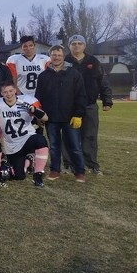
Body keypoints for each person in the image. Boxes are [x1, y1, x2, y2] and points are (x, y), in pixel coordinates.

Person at [36, 45, 87, 182]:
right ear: (50, 57)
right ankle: (55, 170)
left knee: (75, 146)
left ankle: (80, 171)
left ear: (63, 56)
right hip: (51, 118)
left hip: (70, 117)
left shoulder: (74, 73)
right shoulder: (43, 76)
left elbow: (81, 95)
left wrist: (78, 114)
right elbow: (38, 98)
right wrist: (39, 116)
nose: (56, 57)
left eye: (59, 55)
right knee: (54, 146)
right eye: (53, 55)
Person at [65, 35, 112, 175]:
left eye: (80, 43)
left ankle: (91, 164)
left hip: (89, 105)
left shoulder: (93, 61)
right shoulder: (65, 62)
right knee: (69, 136)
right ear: (69, 46)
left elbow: (103, 81)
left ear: (84, 46)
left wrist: (107, 100)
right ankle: (68, 164)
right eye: (74, 43)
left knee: (90, 136)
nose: (77, 46)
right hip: (69, 106)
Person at [0, 81, 50, 187]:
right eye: (5, 92)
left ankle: (38, 174)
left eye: (11, 91)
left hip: (26, 138)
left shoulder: (24, 103)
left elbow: (45, 118)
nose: (9, 94)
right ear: (1, 93)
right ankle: (28, 160)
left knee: (40, 140)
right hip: (11, 145)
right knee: (19, 176)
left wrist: (33, 110)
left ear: (15, 90)